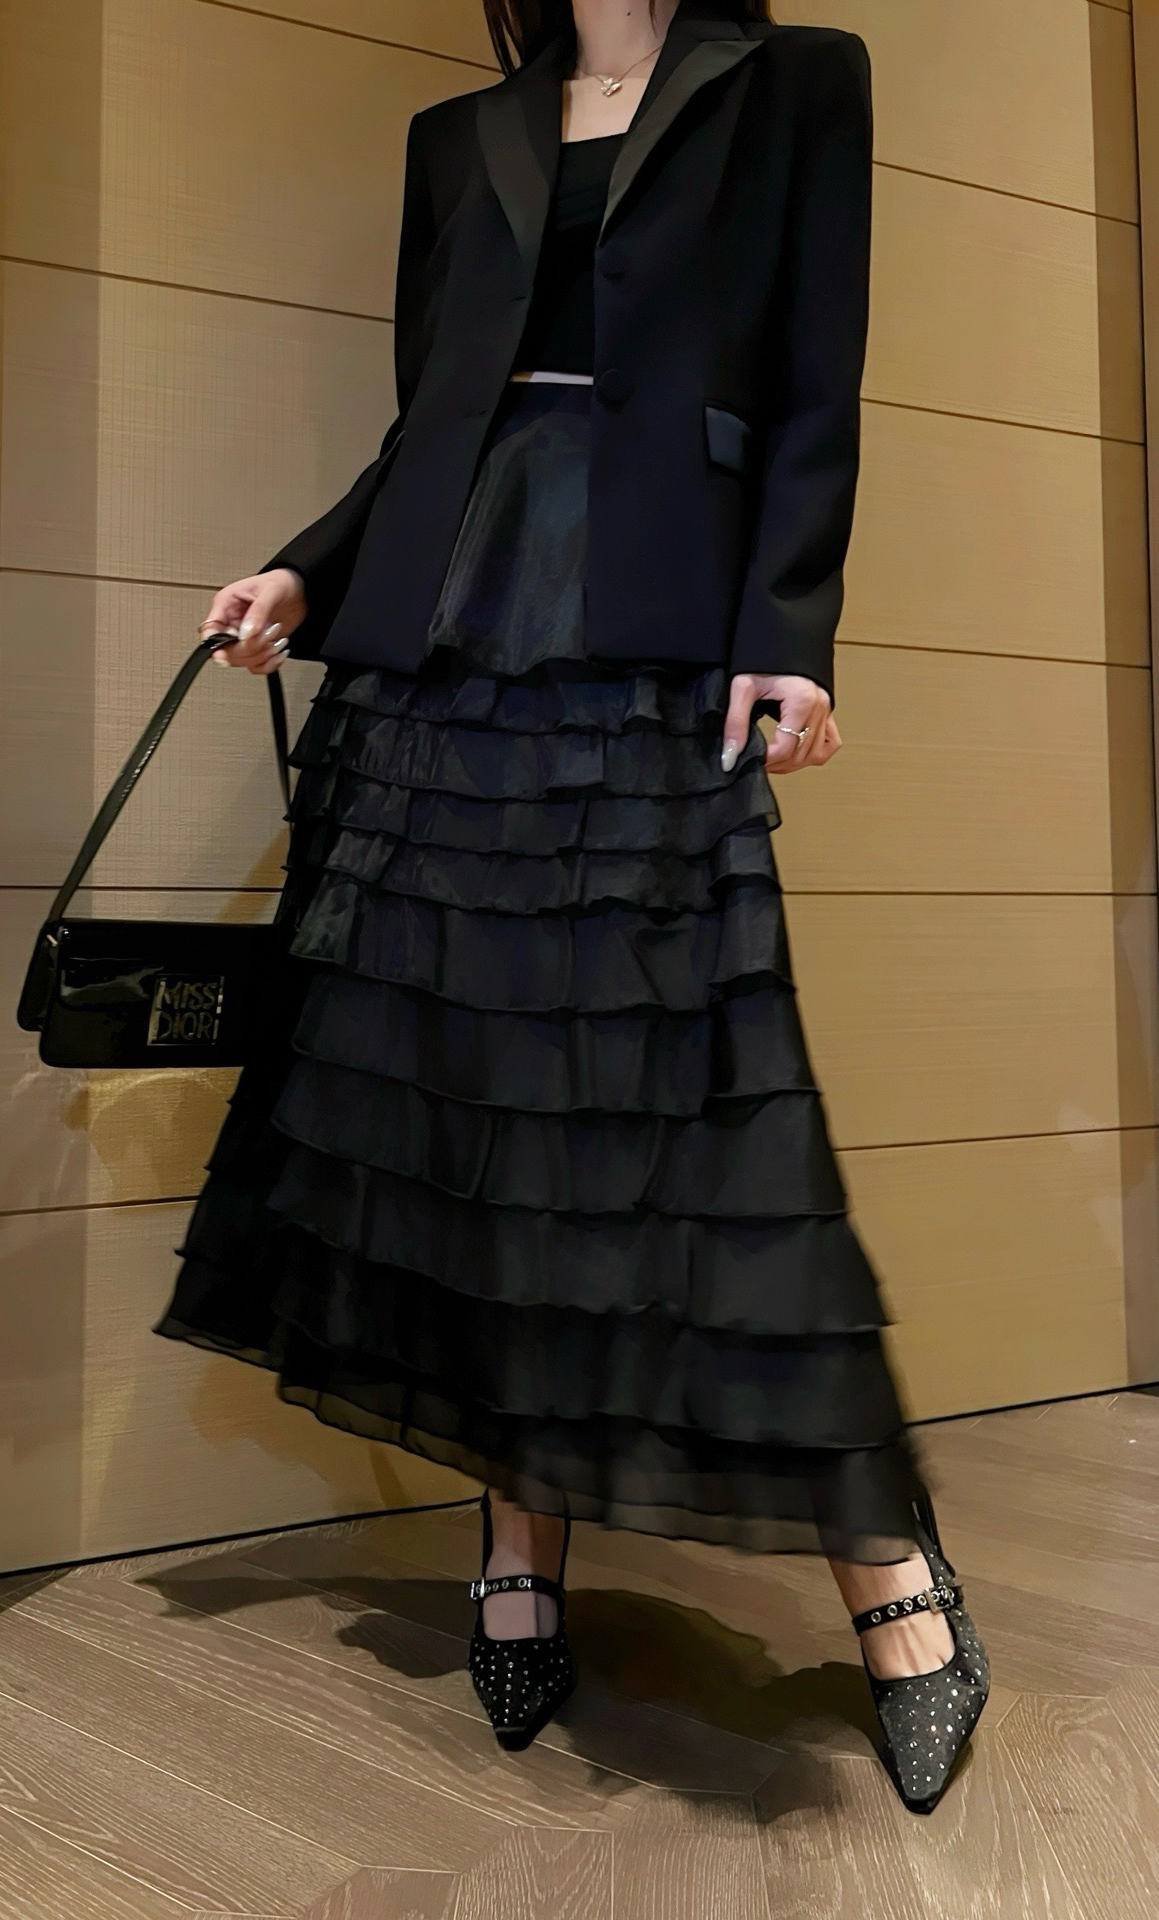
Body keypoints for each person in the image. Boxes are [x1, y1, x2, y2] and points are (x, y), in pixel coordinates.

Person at [156, 0, 989, 1815]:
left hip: (651, 631)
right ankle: (517, 1530)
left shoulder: (798, 80)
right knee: (466, 1091)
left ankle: (887, 1563)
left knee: (694, 1098)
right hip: (445, 639)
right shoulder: (456, 136)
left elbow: (816, 381)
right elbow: (435, 420)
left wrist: (790, 632)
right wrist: (304, 567)